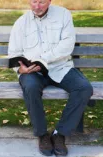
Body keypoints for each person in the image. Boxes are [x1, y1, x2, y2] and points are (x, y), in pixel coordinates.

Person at [8, 0, 93, 156]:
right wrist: (20, 68)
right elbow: (14, 53)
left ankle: (59, 134)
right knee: (31, 87)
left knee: (83, 88)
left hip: (60, 67)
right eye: (34, 1)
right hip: (33, 72)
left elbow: (67, 45)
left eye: (42, 2)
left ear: (49, 1)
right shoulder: (21, 23)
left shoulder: (63, 15)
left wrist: (44, 60)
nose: (37, 6)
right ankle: (42, 135)